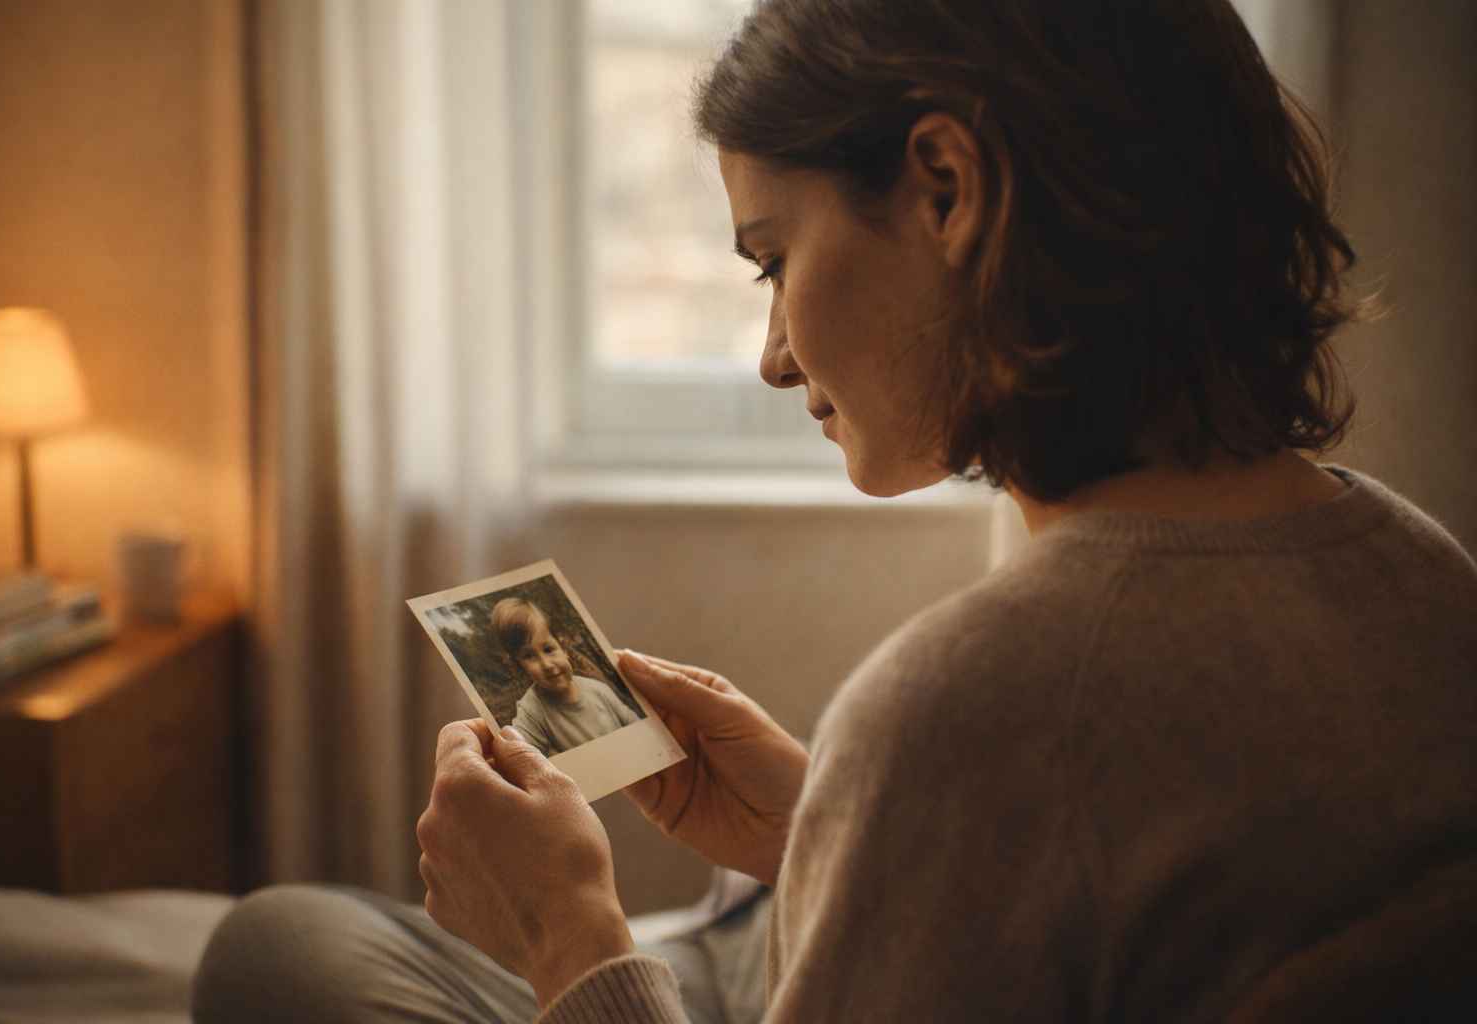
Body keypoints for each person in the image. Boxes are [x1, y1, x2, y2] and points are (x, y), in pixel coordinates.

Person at [194, 0, 1477, 1021]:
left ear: (946, 186)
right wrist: (828, 828)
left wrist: (569, 941)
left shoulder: (974, 702)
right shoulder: (1428, 577)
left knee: (277, 950)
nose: (772, 354)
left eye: (774, 261)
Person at [490, 598, 640, 755]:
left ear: (563, 648)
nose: (546, 664)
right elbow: (523, 753)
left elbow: (636, 727)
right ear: (518, 665)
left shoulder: (598, 690)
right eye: (529, 656)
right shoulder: (532, 711)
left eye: (548, 649)